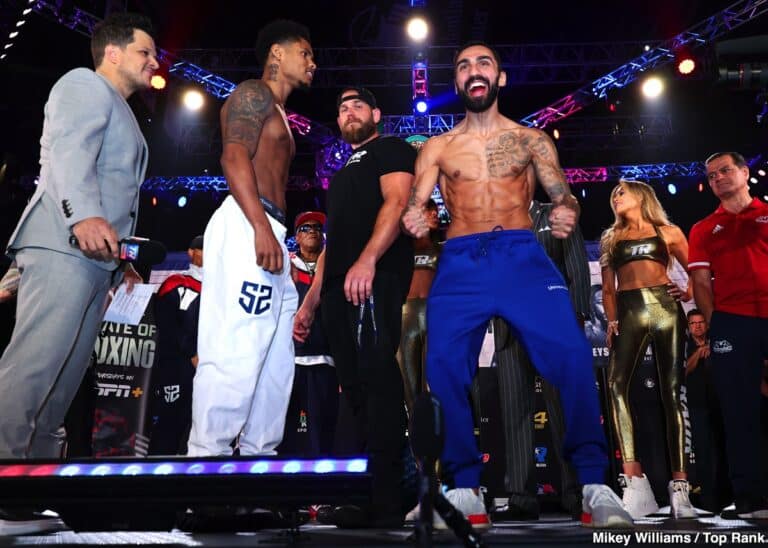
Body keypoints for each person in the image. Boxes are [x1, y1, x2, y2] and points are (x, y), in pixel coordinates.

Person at [401, 40, 632, 529]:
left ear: (499, 78)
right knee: (442, 370)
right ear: (457, 83)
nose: (473, 70)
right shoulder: (437, 148)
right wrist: (415, 219)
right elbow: (415, 206)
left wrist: (568, 209)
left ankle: (594, 483)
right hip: (461, 261)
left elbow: (561, 193)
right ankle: (464, 489)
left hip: (522, 255)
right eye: (463, 66)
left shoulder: (531, 141)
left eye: (483, 62)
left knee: (571, 357)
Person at [0, 12, 156, 459]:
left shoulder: (121, 107)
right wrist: (83, 216)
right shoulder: (84, 85)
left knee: (64, 377)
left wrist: (122, 260)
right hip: (63, 244)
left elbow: (114, 190)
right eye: (144, 52)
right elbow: (70, 153)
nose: (153, 63)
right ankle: (5, 478)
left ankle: (34, 480)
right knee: (35, 366)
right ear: (112, 52)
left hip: (93, 258)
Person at [186, 20, 315, 457]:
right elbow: (233, 154)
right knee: (237, 347)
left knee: (275, 360)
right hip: (248, 221)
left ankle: (259, 467)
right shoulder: (253, 93)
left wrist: (271, 228)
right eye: (305, 52)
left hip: (271, 227)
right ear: (277, 53)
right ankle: (207, 462)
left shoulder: (279, 111)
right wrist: (259, 225)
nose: (312, 62)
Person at [294, 87, 416, 528]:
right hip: (335, 290)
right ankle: (369, 493)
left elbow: (397, 202)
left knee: (377, 382)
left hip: (373, 278)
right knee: (357, 392)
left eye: (357, 106)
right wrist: (309, 302)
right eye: (342, 107)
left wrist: (368, 260)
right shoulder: (343, 168)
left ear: (377, 114)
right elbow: (332, 243)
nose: (348, 112)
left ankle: (389, 498)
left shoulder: (391, 148)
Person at [599, 179, 696, 520]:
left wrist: (688, 295)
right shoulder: (611, 238)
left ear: (641, 196)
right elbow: (608, 290)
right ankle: (634, 481)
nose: (616, 197)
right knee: (616, 385)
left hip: (665, 310)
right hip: (628, 310)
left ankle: (680, 489)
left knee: (671, 391)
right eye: (613, 194)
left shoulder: (668, 232)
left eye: (621, 191)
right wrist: (611, 322)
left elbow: (696, 270)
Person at [491, 198, 590, 521]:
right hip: (509, 328)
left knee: (562, 409)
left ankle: (575, 492)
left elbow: (575, 265)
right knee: (515, 412)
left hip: (553, 324)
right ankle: (521, 497)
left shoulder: (556, 212)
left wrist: (575, 317)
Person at [689, 151, 768, 519]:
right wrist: (715, 322)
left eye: (725, 170)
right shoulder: (704, 228)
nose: (718, 177)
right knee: (739, 413)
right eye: (712, 174)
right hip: (732, 323)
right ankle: (751, 497)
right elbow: (701, 283)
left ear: (744, 172)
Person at [278, 211, 337, 456]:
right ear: (296, 238)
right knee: (289, 431)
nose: (313, 230)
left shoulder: (334, 269)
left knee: (324, 433)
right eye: (305, 227)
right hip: (291, 360)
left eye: (317, 227)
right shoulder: (285, 268)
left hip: (327, 360)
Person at [148, 235, 204, 455]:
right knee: (171, 421)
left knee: (201, 425)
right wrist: (191, 353)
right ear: (192, 253)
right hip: (177, 367)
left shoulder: (223, 288)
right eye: (205, 249)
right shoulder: (175, 283)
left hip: (211, 366)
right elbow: (167, 324)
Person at [684, 308, 730, 513]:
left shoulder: (718, 342)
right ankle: (708, 501)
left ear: (707, 324)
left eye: (701, 322)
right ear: (688, 327)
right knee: (703, 453)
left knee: (724, 450)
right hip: (698, 407)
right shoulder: (685, 346)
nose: (698, 326)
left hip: (721, 404)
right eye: (693, 323)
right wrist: (699, 354)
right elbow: (684, 370)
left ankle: (728, 496)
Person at [397, 198, 440, 415]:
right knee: (409, 385)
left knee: (437, 382)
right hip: (405, 316)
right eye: (428, 210)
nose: (435, 214)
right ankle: (417, 444)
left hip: (436, 316)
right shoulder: (398, 247)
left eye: (436, 210)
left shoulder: (444, 246)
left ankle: (441, 440)